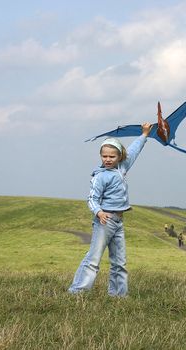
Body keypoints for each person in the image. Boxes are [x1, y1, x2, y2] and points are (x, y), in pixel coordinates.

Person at [68, 123, 153, 297]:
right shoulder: (100, 176)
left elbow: (134, 150)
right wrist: (98, 212)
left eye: (111, 156)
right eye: (104, 156)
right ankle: (77, 292)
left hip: (118, 221)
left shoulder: (122, 168)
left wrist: (144, 135)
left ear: (119, 156)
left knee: (119, 262)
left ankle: (118, 295)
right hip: (104, 221)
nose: (107, 159)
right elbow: (92, 199)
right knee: (93, 259)